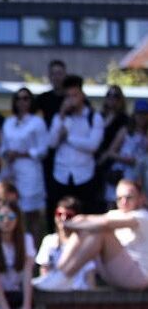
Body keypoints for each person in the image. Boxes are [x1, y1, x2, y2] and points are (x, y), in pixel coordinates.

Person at [35, 179, 148, 292]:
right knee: (88, 228)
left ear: (142, 198)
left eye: (129, 197)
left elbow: (104, 223)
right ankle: (59, 273)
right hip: (114, 273)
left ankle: (64, 277)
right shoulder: (115, 214)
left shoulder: (142, 216)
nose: (123, 201)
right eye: (119, 198)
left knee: (100, 230)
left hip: (139, 277)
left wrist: (76, 221)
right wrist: (80, 222)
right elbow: (94, 223)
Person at [47, 74, 104, 216]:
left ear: (82, 95)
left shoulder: (93, 117)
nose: (71, 100)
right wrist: (61, 115)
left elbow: (93, 145)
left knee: (85, 216)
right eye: (68, 96)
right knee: (60, 215)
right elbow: (52, 143)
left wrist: (69, 138)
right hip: (61, 175)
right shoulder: (59, 117)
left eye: (75, 95)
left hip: (84, 175)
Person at [0, 88, 48, 243]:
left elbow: (43, 149)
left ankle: (34, 254)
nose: (22, 101)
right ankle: (18, 251)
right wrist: (8, 153)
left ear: (31, 101)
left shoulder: (37, 122)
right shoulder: (8, 122)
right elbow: (3, 147)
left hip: (31, 171)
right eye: (19, 98)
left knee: (32, 215)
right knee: (13, 213)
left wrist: (21, 153)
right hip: (12, 172)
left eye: (26, 98)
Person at [35, 196, 95, 290]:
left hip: (80, 293)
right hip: (54, 293)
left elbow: (90, 275)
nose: (63, 218)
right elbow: (44, 272)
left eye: (68, 215)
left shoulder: (85, 242)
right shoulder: (49, 240)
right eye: (59, 214)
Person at [97, 99, 147, 209]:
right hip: (121, 172)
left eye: (144, 114)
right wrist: (125, 159)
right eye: (139, 114)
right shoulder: (126, 131)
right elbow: (111, 152)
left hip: (139, 175)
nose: (141, 117)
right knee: (114, 203)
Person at [35, 59, 67, 129]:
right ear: (49, 76)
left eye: (59, 74)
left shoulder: (73, 98)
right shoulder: (42, 98)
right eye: (53, 74)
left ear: (65, 75)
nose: (56, 78)